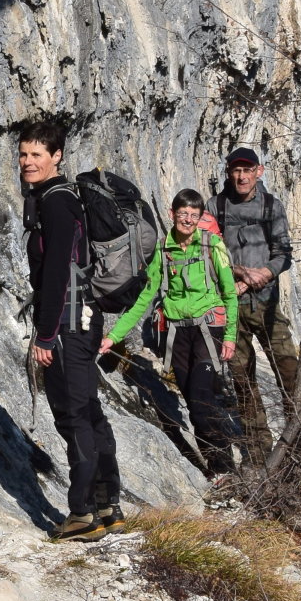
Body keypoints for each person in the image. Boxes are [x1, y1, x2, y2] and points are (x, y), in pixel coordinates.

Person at [19, 118, 123, 541]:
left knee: (74, 415)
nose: (27, 162)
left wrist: (45, 335)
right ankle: (106, 504)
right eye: (23, 154)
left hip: (68, 321)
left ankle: (82, 514)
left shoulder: (56, 201)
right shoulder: (54, 196)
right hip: (79, 318)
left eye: (36, 154)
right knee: (90, 412)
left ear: (56, 156)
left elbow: (60, 267)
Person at [99, 190, 245, 474]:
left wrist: (229, 336)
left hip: (208, 328)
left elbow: (230, 294)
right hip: (177, 334)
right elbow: (145, 296)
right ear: (172, 214)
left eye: (194, 215)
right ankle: (217, 467)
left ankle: (223, 467)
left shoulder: (212, 245)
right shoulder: (163, 250)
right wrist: (114, 336)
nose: (188, 220)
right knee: (192, 402)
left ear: (200, 216)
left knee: (202, 397)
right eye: (183, 214)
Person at [214, 147, 297, 467]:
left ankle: (297, 444)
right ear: (228, 172)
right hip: (232, 307)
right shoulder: (216, 207)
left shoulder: (272, 207)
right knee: (243, 383)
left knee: (289, 371)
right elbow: (210, 252)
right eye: (236, 170)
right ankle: (259, 455)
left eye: (247, 170)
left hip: (268, 304)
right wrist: (236, 273)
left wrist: (264, 273)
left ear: (259, 172)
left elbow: (283, 253)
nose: (241, 176)